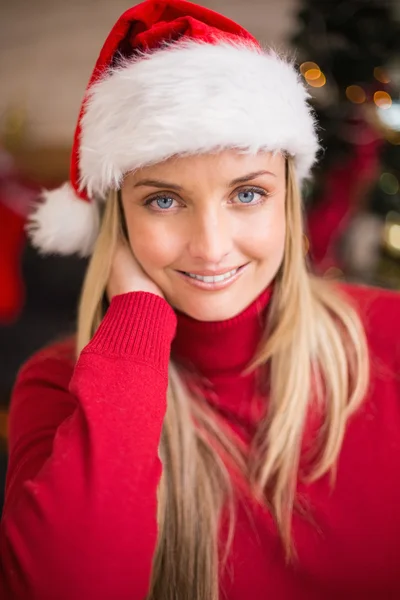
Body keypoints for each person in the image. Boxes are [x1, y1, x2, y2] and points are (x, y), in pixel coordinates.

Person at [1, 1, 400, 598]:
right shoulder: (57, 387)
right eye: (163, 200)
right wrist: (135, 321)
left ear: (287, 202)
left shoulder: (387, 335)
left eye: (247, 194)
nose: (211, 248)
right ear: (118, 218)